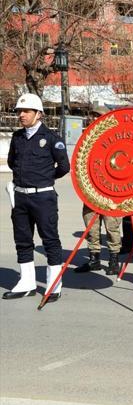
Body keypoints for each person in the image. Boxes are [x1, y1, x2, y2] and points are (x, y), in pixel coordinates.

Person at [4, 93, 70, 301]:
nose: (21, 115)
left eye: (26, 111)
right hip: (20, 197)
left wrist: (45, 178)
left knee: (50, 240)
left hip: (43, 197)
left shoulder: (52, 139)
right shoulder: (17, 137)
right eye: (19, 111)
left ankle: (54, 283)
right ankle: (26, 282)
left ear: (38, 113)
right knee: (22, 240)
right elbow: (12, 162)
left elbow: (64, 167)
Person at [74, 105, 122, 276]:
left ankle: (114, 260)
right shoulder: (86, 138)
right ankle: (94, 259)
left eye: (98, 116)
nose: (95, 119)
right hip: (91, 190)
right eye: (93, 116)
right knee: (91, 225)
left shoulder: (116, 136)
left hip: (111, 192)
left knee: (112, 227)